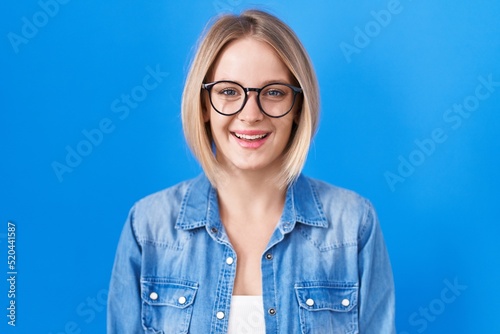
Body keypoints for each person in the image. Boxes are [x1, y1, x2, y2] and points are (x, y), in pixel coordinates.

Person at [107, 9, 395, 334]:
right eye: (229, 91)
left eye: (273, 92)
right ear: (203, 104)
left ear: (299, 106)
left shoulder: (353, 225)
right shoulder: (148, 226)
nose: (251, 113)